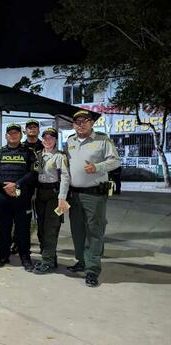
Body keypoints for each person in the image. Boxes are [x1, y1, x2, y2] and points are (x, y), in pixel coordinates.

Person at [65, 110, 120, 287]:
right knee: (77, 231)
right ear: (73, 124)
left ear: (91, 123)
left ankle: (92, 269)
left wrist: (97, 167)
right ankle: (81, 261)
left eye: (85, 121)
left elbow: (115, 161)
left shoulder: (103, 140)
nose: (81, 124)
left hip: (94, 194)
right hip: (74, 194)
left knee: (94, 232)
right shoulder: (70, 141)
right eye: (77, 121)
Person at [0, 123, 38, 272]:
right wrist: (5, 184)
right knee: (4, 229)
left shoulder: (29, 152)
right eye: (10, 133)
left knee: (23, 229)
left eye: (16, 133)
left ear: (20, 135)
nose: (13, 135)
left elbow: (33, 172)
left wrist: (17, 184)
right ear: (6, 136)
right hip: (3, 196)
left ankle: (25, 257)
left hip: (22, 197)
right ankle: (3, 256)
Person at [33, 127, 70, 274]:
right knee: (41, 228)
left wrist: (62, 197)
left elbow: (65, 178)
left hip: (54, 195)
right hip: (40, 194)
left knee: (51, 229)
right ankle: (49, 258)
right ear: (42, 139)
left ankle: (47, 262)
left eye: (51, 138)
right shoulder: (38, 155)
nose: (48, 140)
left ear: (55, 140)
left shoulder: (60, 156)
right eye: (45, 137)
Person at [10, 118, 44, 255]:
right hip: (24, 187)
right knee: (21, 217)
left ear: (38, 130)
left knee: (41, 218)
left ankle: (44, 244)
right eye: (29, 127)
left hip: (42, 187)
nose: (32, 129)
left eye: (35, 127)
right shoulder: (21, 147)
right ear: (25, 131)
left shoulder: (45, 146)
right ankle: (17, 243)